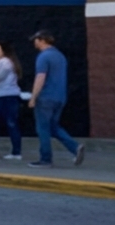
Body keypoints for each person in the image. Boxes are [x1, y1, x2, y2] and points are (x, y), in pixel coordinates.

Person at [28, 30, 85, 167]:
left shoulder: (43, 57)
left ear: (42, 40)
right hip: (60, 97)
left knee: (43, 129)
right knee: (53, 126)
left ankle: (46, 159)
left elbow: (40, 78)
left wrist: (33, 97)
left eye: (35, 40)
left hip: (45, 98)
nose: (34, 42)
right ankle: (75, 147)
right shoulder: (60, 56)